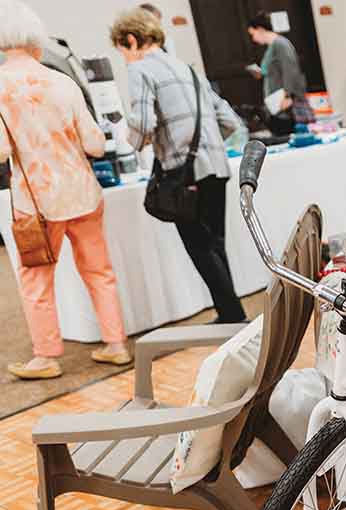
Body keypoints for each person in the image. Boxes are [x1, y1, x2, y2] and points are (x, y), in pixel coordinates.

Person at [0, 0, 130, 380]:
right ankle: (116, 345)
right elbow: (95, 145)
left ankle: (46, 356)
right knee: (99, 271)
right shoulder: (62, 81)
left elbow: (1, 151)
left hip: (37, 203)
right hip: (83, 193)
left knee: (37, 281)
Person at [111, 8, 248, 324]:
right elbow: (229, 120)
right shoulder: (186, 68)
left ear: (131, 40)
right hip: (216, 165)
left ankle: (234, 315)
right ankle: (230, 314)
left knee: (200, 247)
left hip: (183, 172)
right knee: (215, 244)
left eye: (122, 50)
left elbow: (143, 124)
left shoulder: (139, 70)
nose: (124, 58)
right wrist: (206, 143)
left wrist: (130, 143)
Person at [247, 12, 314, 136]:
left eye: (253, 34)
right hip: (277, 103)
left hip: (286, 104)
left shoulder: (280, 44)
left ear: (260, 29)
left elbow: (290, 70)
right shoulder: (272, 47)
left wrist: (288, 96)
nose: (253, 38)